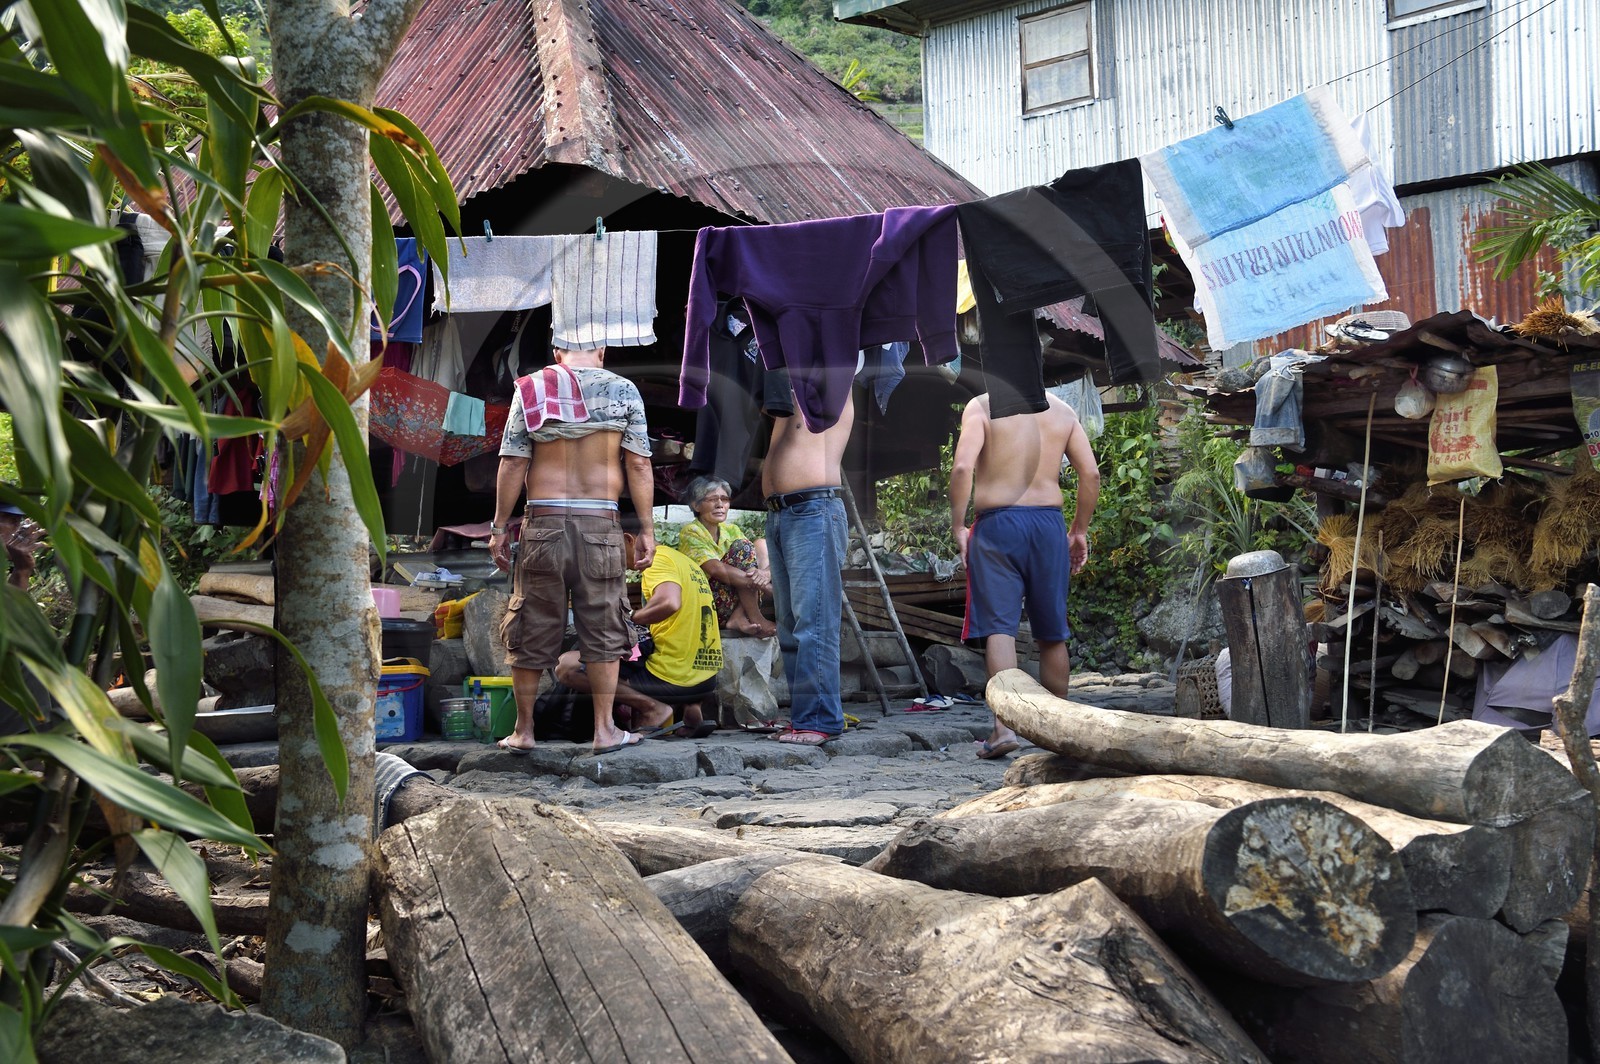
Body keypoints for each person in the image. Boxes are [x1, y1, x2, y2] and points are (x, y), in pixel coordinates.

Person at [489, 347, 657, 755]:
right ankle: (604, 730)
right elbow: (638, 465)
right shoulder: (623, 389)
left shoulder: (532, 388)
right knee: (604, 625)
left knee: (531, 623)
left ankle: (524, 731)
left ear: (556, 350)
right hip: (600, 523)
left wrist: (498, 527)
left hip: (543, 523)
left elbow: (512, 463)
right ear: (602, 350)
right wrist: (647, 529)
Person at [949, 389, 1100, 758]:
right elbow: (1091, 473)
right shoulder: (1062, 411)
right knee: (1052, 630)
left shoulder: (982, 406)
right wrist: (1079, 530)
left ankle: (1004, 728)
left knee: (1000, 628)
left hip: (997, 525)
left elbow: (963, 467)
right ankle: (1058, 731)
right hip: (1048, 526)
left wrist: (958, 525)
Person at [554, 534, 723, 738]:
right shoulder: (683, 561)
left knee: (568, 666)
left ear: (629, 540)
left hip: (675, 679)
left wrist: (630, 618)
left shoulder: (657, 560)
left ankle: (652, 708)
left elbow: (669, 602)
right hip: (705, 681)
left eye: (613, 550)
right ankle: (691, 711)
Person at [762, 384, 853, 745]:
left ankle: (820, 719)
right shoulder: (783, 385)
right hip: (779, 513)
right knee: (789, 627)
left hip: (813, 509)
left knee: (814, 622)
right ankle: (804, 716)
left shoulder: (834, 377)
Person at [677, 474, 775, 637]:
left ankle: (738, 616)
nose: (720, 505)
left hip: (732, 599)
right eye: (712, 499)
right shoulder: (691, 531)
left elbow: (748, 564)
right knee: (743, 548)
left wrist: (765, 574)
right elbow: (716, 570)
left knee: (760, 544)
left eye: (724, 499)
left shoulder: (731, 530)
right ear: (696, 505)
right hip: (708, 604)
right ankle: (755, 617)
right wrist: (766, 586)